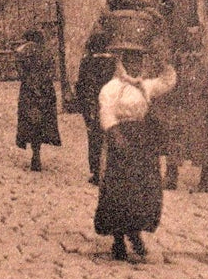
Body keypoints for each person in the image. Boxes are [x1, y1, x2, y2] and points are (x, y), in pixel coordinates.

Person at [94, 40, 177, 262]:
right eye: (131, 60)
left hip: (142, 142)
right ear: (122, 62)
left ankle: (136, 233)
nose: (135, 64)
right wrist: (116, 136)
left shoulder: (144, 86)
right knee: (119, 190)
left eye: (139, 60)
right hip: (121, 140)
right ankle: (118, 239)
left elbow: (167, 82)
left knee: (143, 190)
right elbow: (107, 113)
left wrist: (163, 62)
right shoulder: (111, 88)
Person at [163, 25, 208, 192]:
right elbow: (173, 78)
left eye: (195, 35)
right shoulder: (180, 56)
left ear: (201, 37)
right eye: (189, 35)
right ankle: (171, 176)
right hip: (182, 104)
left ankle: (207, 180)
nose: (192, 38)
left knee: (203, 143)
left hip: (201, 105)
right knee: (175, 139)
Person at [74, 19, 117, 185]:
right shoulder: (113, 62)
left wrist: (83, 105)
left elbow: (82, 84)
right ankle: (110, 171)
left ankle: (96, 171)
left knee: (94, 138)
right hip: (110, 104)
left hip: (93, 103)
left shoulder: (87, 61)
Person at [15, 29, 61, 171]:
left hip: (29, 90)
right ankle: (38, 151)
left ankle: (34, 152)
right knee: (42, 121)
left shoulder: (21, 52)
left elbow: (20, 72)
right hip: (45, 90)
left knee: (31, 120)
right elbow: (52, 72)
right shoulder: (47, 52)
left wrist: (30, 82)